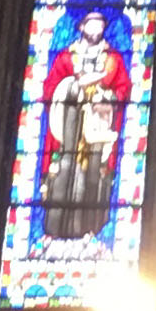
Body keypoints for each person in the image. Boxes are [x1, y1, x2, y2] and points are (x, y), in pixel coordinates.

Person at [43, 13, 131, 241]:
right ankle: (56, 231)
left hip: (99, 125)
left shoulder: (112, 59)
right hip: (69, 126)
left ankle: (91, 232)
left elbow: (123, 88)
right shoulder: (66, 58)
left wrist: (108, 99)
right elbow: (49, 88)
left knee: (94, 173)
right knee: (65, 168)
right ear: (82, 26)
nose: (96, 29)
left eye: (100, 26)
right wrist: (72, 87)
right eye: (92, 25)